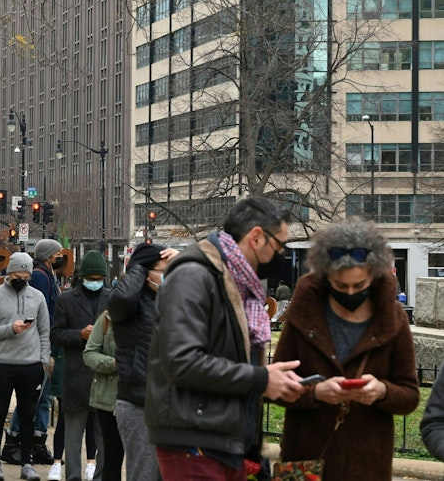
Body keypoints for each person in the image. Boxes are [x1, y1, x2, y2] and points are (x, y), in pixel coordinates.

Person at [145, 197, 304, 481]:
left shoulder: (234, 279)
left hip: (222, 438)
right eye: (278, 246)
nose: (279, 256)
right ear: (256, 237)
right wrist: (261, 378)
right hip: (194, 440)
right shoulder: (195, 275)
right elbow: (181, 362)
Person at [274, 219, 419, 480]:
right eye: (340, 286)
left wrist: (382, 391)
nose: (350, 292)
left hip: (368, 465)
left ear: (373, 276)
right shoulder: (304, 311)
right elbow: (275, 387)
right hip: (305, 462)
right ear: (325, 275)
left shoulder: (392, 316)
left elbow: (410, 395)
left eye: (359, 286)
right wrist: (316, 392)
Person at [107, 242, 176, 481]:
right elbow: (122, 298)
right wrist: (138, 265)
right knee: (144, 475)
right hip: (138, 403)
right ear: (146, 274)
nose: (170, 276)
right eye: (164, 270)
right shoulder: (131, 305)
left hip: (171, 404)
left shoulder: (172, 300)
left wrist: (185, 260)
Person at [0, 252, 50, 481]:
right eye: (18, 274)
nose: (22, 278)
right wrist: (11, 329)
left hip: (30, 365)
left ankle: (27, 463)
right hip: (2, 364)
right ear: (9, 273)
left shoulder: (38, 297)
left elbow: (44, 331)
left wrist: (43, 361)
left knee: (28, 416)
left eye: (26, 275)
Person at [51, 249, 110, 481]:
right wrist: (79, 335)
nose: (95, 283)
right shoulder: (67, 299)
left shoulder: (112, 298)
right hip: (76, 375)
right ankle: (73, 476)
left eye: (99, 279)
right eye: (91, 278)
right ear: (82, 276)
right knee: (73, 436)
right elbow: (55, 335)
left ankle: (102, 475)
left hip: (103, 376)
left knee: (104, 435)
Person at [3, 238, 63, 467]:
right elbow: (41, 314)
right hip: (40, 344)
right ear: (49, 255)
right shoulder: (40, 276)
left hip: (44, 342)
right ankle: (14, 440)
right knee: (35, 396)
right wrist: (44, 348)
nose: (61, 257)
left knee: (43, 397)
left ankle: (37, 440)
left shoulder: (47, 275)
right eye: (57, 253)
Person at [82, 310, 121, 481]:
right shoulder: (107, 318)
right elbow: (89, 353)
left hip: (146, 400)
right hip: (109, 398)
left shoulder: (161, 313)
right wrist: (112, 363)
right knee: (110, 458)